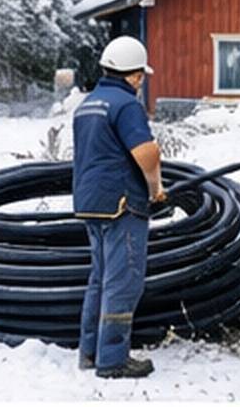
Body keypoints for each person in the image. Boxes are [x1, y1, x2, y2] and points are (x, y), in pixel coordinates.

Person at [72, 36, 166, 379]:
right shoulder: (126, 105)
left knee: (100, 279)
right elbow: (147, 153)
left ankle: (90, 352)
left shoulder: (88, 104)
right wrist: (155, 188)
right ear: (136, 75)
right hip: (122, 205)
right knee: (123, 282)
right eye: (142, 76)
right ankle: (113, 360)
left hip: (90, 204)